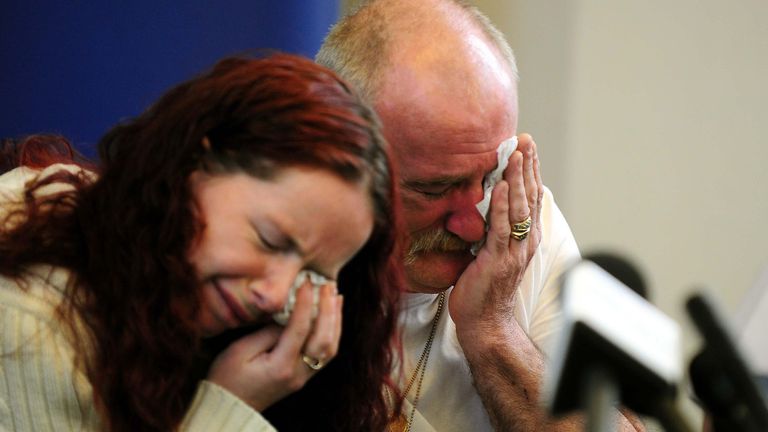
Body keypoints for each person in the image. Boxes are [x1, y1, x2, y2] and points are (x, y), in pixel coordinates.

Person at [0, 54, 403, 431]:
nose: (275, 297)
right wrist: (230, 407)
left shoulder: (165, 291)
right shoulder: (25, 320)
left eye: (313, 276)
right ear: (193, 162)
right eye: (269, 240)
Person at [317, 1, 645, 431]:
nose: (474, 224)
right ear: (339, 156)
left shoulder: (522, 221)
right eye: (433, 189)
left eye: (490, 175)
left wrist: (493, 329)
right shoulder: (269, 240)